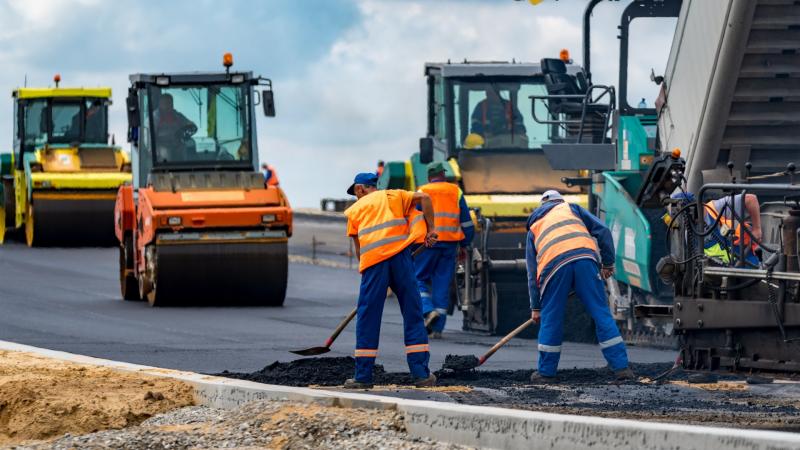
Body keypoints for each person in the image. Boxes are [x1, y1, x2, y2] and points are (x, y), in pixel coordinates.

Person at [342, 172, 439, 389]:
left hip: (374, 264)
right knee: (413, 313)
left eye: (356, 193)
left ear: (360, 189)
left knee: (368, 317)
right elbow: (425, 198)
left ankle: (363, 377)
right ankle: (421, 375)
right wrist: (431, 229)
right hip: (401, 259)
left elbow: (359, 251)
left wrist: (369, 278)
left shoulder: (355, 210)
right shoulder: (394, 196)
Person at [526, 190, 634, 382]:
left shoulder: (534, 226)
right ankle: (621, 368)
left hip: (553, 268)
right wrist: (607, 263)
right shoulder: (572, 209)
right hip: (585, 260)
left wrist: (536, 307)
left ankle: (545, 373)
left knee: (551, 318)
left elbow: (532, 271)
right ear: (560, 201)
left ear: (541, 207)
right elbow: (603, 231)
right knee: (601, 313)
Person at [414, 161, 474, 338]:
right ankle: (437, 330)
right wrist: (465, 244)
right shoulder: (456, 191)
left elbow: (415, 219)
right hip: (449, 245)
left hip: (427, 244)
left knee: (416, 278)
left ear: (429, 176)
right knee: (442, 285)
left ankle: (427, 310)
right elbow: (467, 223)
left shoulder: (422, 191)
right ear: (443, 174)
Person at [703, 193, 762, 266]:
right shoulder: (688, 231)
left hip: (747, 265)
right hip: (716, 272)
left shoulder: (716, 208)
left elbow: (751, 199)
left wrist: (757, 230)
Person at [154, 93, 197, 162]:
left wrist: (191, 125)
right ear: (160, 104)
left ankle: (189, 167)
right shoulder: (155, 118)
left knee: (190, 144)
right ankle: (165, 171)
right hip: (160, 145)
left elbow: (188, 123)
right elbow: (149, 137)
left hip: (176, 142)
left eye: (170, 103)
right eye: (165, 103)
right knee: (166, 152)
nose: (168, 105)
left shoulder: (177, 115)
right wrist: (152, 150)